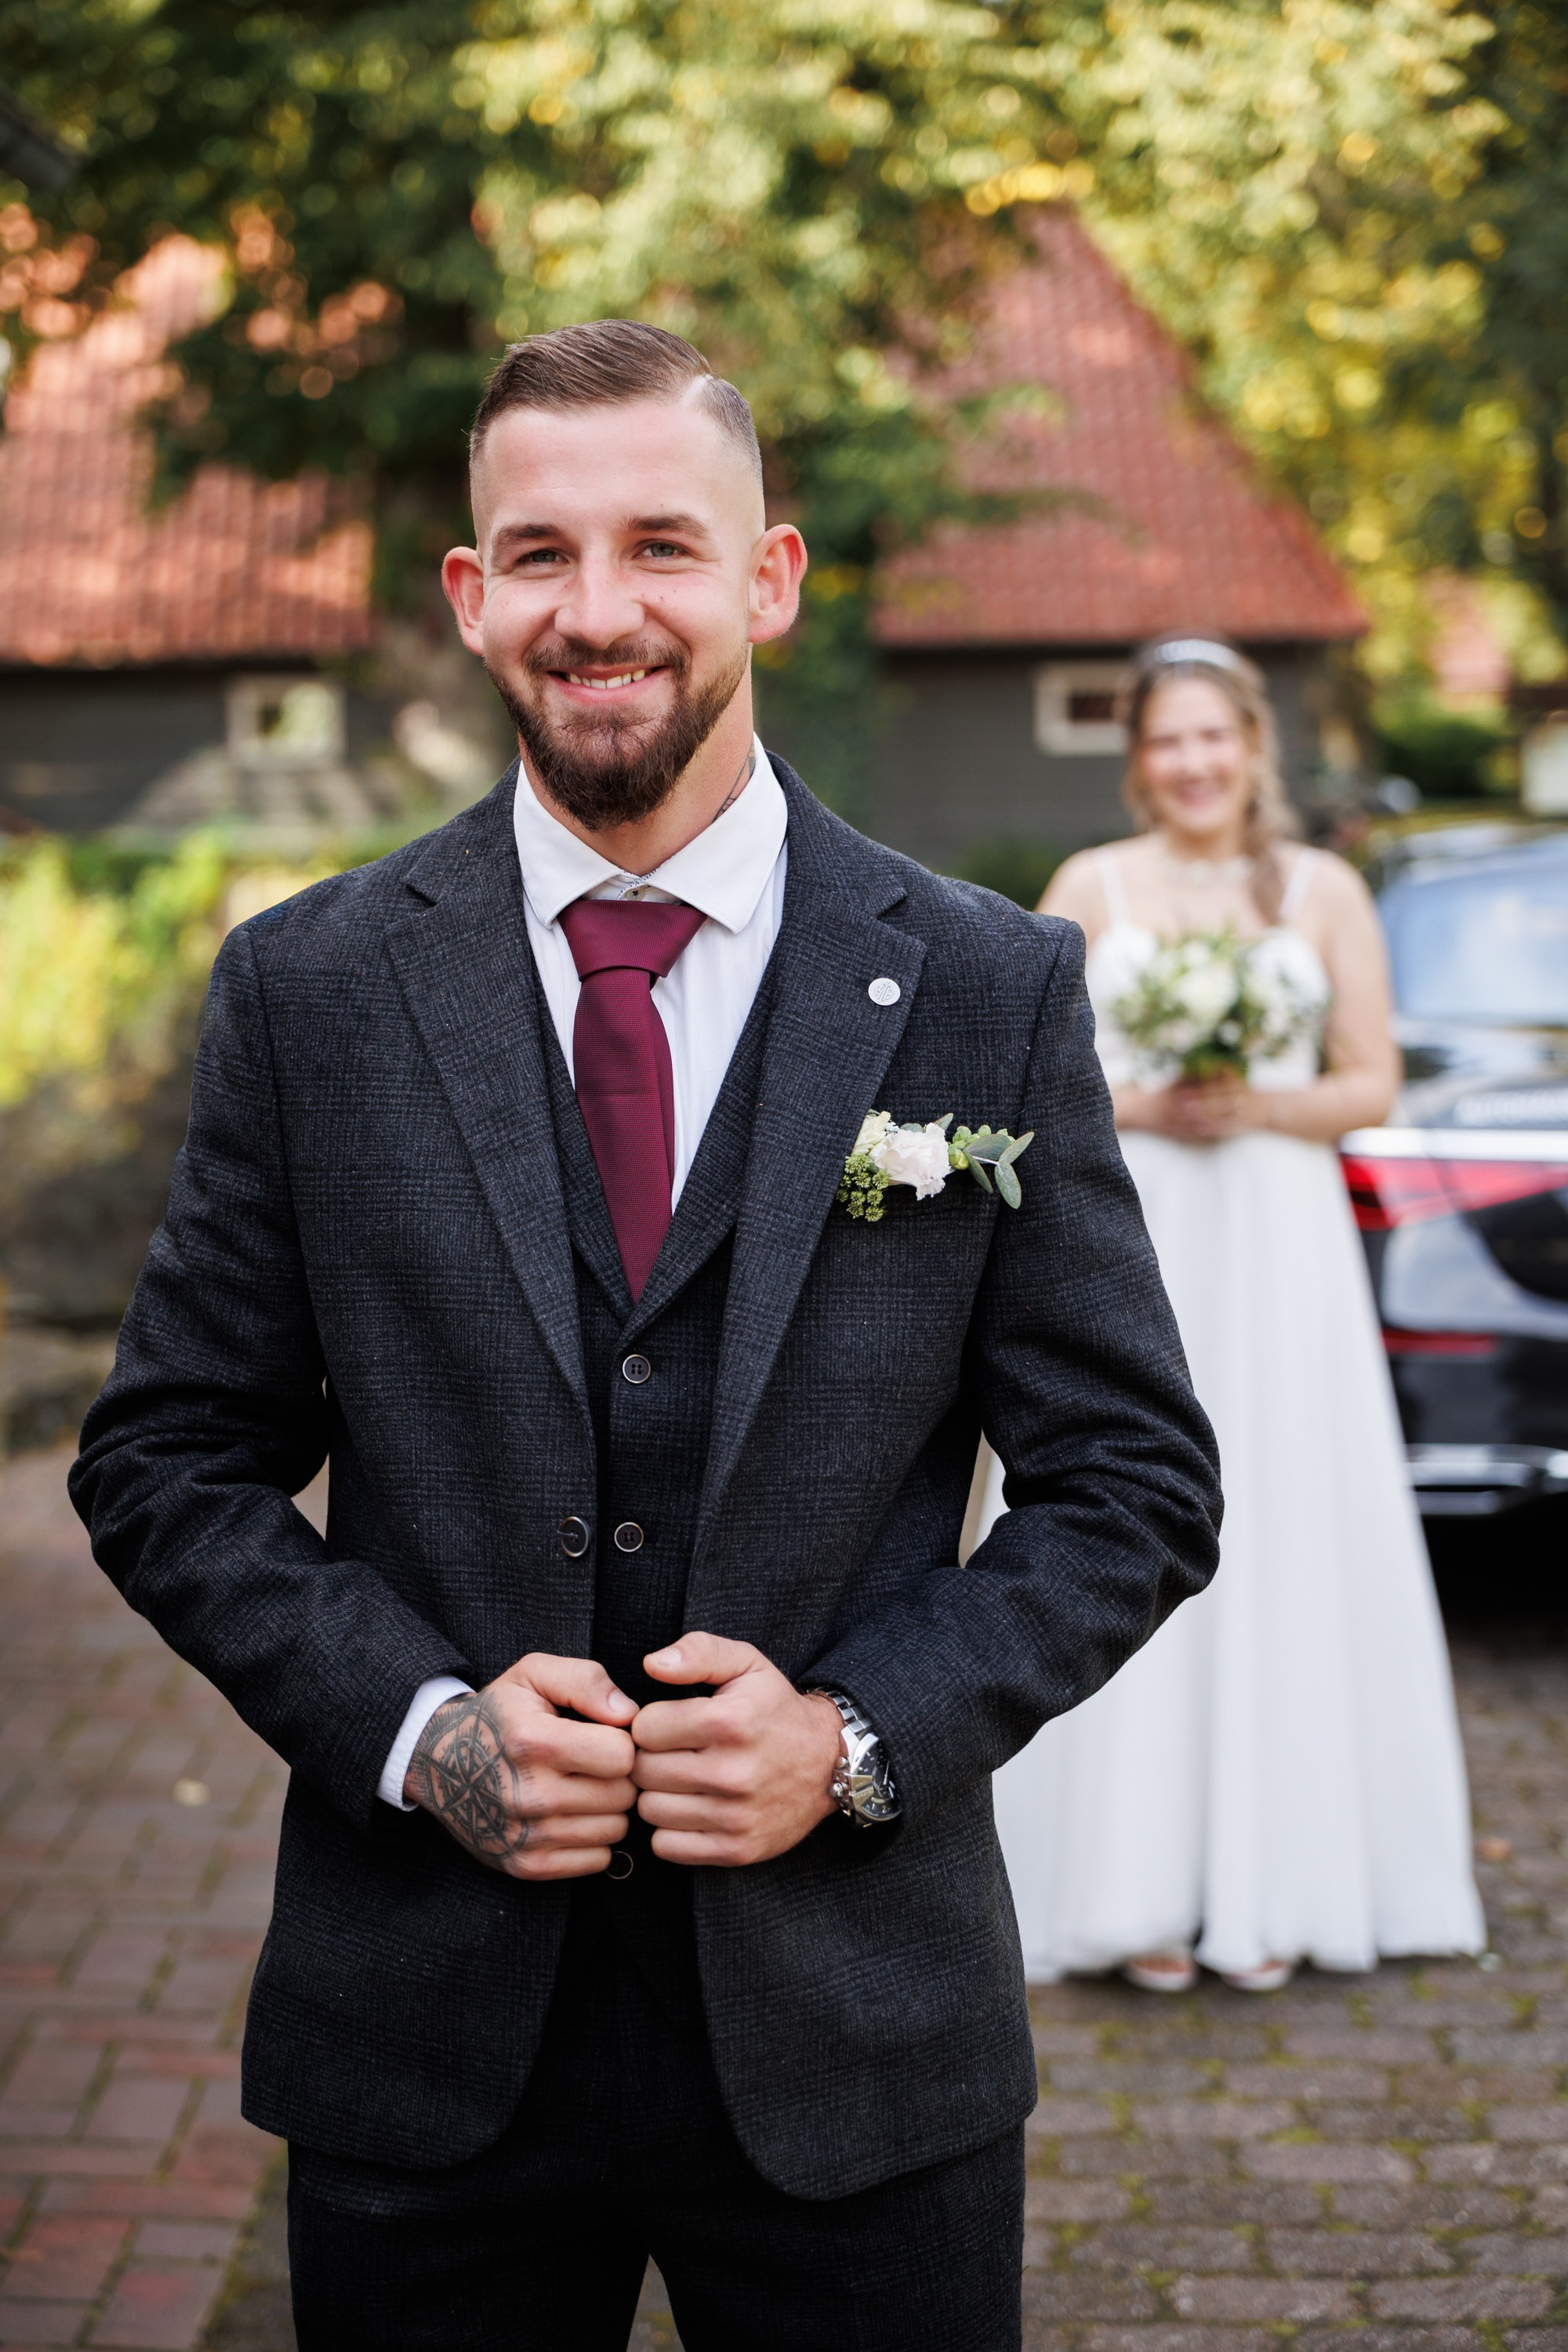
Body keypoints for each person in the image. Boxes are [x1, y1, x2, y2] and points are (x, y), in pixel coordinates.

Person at [68, 325, 1222, 2351]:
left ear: (768, 578)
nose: (599, 614)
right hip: (424, 2041)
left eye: (662, 549)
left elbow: (1131, 1485)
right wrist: (426, 1740)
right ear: (472, 596)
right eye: (540, 556)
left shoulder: (986, 988)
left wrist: (854, 1744)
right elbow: (164, 1466)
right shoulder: (309, 995)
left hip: (864, 2040)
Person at [985, 636, 1485, 1995]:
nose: (1194, 763)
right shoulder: (1090, 886)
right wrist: (1148, 1105)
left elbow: (1370, 1078)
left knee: (1282, 1532)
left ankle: (1279, 1876)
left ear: (1253, 746)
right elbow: (1036, 1074)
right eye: (1169, 740)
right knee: (1114, 1508)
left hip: (1278, 1244)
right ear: (1140, 757)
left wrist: (1253, 1102)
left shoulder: (1322, 889)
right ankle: (1132, 1880)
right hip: (1139, 1229)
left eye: (1217, 737)